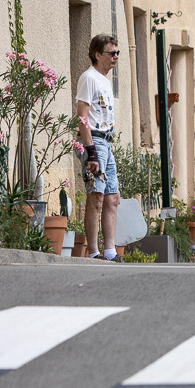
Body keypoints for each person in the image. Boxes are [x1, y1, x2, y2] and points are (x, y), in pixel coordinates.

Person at [75, 34, 122, 261]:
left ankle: (110, 251)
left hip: (107, 141)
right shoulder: (89, 77)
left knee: (112, 196)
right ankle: (93, 252)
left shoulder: (105, 80)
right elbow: (82, 116)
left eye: (117, 53)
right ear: (97, 55)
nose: (115, 57)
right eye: (111, 53)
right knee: (97, 196)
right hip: (94, 140)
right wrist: (90, 151)